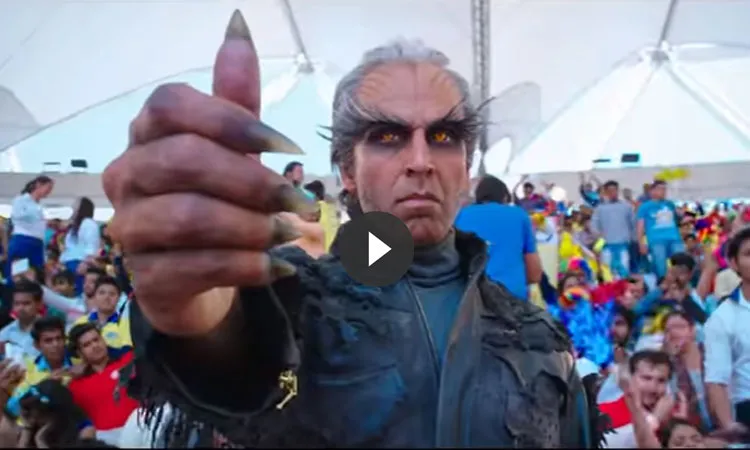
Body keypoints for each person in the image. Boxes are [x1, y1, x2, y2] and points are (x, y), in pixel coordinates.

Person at [102, 11, 592, 448]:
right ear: (347, 171)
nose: (420, 160)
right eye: (387, 136)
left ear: (466, 168)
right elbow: (234, 350)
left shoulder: (538, 338)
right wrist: (200, 316)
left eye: (443, 136)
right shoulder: (297, 298)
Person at [455, 175, 543, 300]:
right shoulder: (519, 215)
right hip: (512, 298)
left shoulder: (462, 215)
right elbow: (534, 274)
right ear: (505, 198)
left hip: (471, 298)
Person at [705, 226, 750, 433]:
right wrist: (729, 426)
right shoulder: (722, 318)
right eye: (749, 254)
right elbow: (716, 379)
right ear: (734, 263)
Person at [67, 323, 138, 445]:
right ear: (79, 353)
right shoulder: (75, 386)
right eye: (87, 345)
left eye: (96, 340)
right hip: (105, 440)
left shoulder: (128, 360)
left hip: (139, 429)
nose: (95, 346)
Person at [5, 176, 54, 280]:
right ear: (38, 184)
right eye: (48, 187)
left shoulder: (39, 206)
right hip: (23, 240)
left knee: (36, 276)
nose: (49, 191)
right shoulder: (21, 200)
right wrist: (37, 217)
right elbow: (16, 216)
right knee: (18, 274)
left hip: (37, 243)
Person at [637, 180, 683, 278]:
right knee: (660, 266)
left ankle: (679, 282)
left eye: (664, 189)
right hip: (656, 240)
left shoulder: (670, 204)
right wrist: (641, 243)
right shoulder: (645, 207)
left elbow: (676, 221)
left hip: (674, 238)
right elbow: (640, 226)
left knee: (681, 263)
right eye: (660, 189)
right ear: (652, 191)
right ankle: (662, 283)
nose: (663, 192)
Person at [591, 180, 635, 279]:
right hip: (606, 247)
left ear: (618, 191)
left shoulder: (627, 207)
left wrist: (633, 240)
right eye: (610, 191)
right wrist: (599, 237)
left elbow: (633, 224)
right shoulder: (600, 209)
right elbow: (594, 225)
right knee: (608, 275)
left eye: (615, 190)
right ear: (606, 192)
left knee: (624, 274)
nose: (613, 193)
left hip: (623, 246)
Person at [60, 197, 100, 296]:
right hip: (70, 263)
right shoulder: (75, 226)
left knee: (79, 294)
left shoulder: (89, 223)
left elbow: (91, 245)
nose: (73, 206)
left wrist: (85, 263)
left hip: (80, 263)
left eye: (76, 204)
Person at [0, 280, 45, 359]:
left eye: (26, 303)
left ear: (39, 304)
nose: (21, 308)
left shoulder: (51, 331)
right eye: (17, 303)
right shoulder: (5, 333)